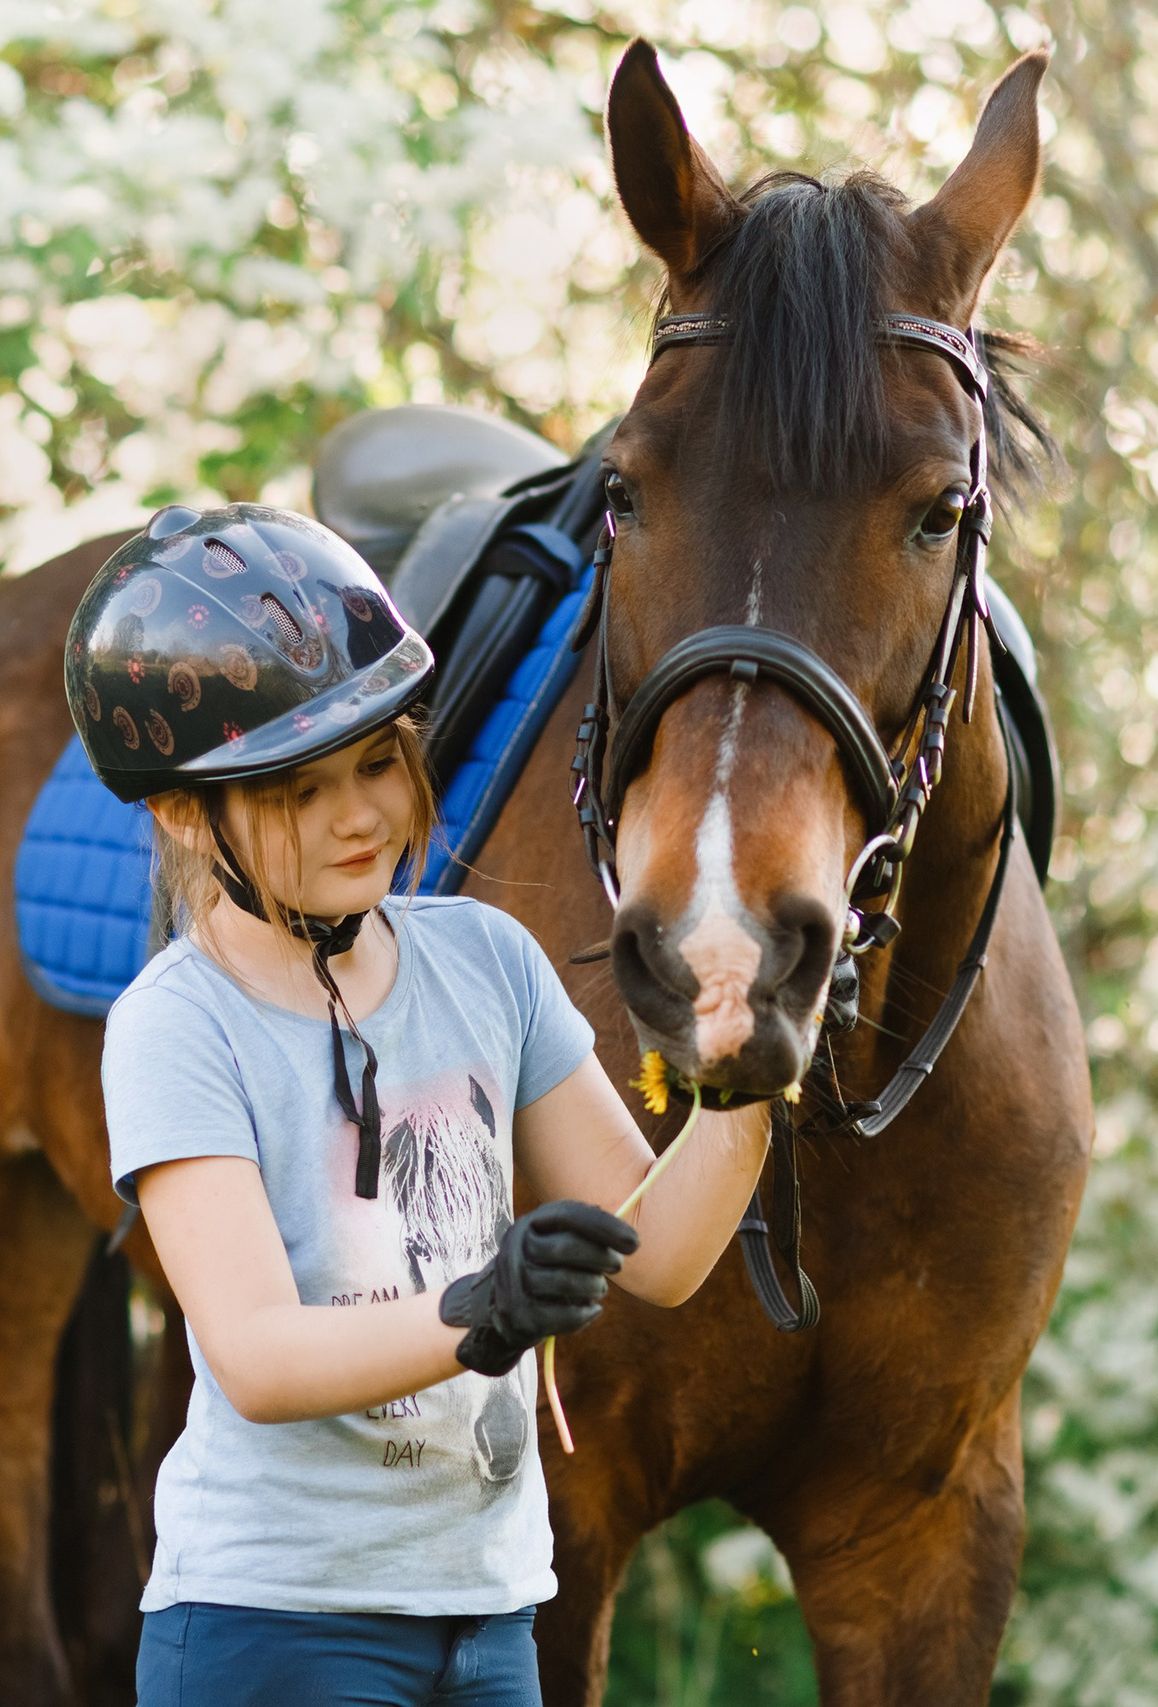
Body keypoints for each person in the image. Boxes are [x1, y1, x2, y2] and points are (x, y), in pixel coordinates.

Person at [66, 503, 775, 1707]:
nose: (363, 817)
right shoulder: (178, 1024)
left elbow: (658, 1257)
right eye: (299, 791)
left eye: (378, 763)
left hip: (488, 1607)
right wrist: (484, 1306)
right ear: (187, 811)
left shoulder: (487, 961)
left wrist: (748, 1086)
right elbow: (256, 1358)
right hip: (272, 1621)